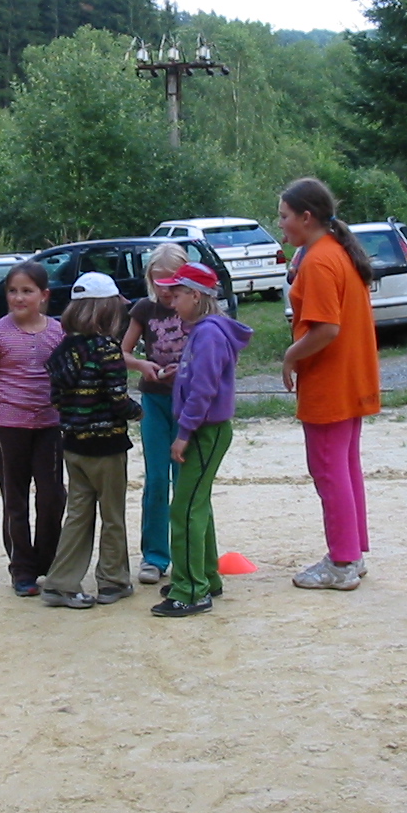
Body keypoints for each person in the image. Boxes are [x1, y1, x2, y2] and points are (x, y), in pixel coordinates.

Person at [278, 178, 380, 591]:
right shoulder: (335, 251)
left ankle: (341, 562)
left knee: (327, 468)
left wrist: (291, 356)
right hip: (351, 378)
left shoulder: (320, 260)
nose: (281, 224)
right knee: (345, 466)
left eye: (284, 216)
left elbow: (326, 329)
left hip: (330, 382)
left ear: (306, 217)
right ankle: (351, 553)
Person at [149, 262, 251, 618]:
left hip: (204, 431)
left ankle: (191, 591)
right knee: (197, 503)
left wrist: (184, 434)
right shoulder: (203, 331)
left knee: (185, 508)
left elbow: (205, 390)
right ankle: (205, 576)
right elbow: (201, 376)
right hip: (204, 429)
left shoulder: (209, 334)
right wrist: (181, 373)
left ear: (196, 295)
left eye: (177, 294)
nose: (171, 300)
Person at [40, 272, 141, 609]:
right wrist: (138, 412)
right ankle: (113, 581)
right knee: (112, 516)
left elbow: (56, 399)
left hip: (73, 444)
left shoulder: (63, 350)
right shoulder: (107, 350)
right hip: (107, 446)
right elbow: (117, 400)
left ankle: (60, 584)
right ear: (106, 310)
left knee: (78, 515)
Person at [0, 260, 67, 596]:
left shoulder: (58, 332)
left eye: (27, 291)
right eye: (12, 291)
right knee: (15, 498)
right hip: (9, 425)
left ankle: (48, 560)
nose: (19, 298)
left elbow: (68, 377)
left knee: (52, 495)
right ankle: (22, 569)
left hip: (49, 424)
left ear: (44, 295)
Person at [120, 242, 189, 586]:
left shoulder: (194, 307)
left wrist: (186, 368)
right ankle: (155, 556)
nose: (165, 289)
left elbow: (214, 350)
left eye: (172, 280)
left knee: (186, 478)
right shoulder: (144, 309)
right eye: (159, 281)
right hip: (154, 401)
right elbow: (123, 353)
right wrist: (141, 365)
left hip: (189, 402)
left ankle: (188, 553)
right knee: (157, 478)